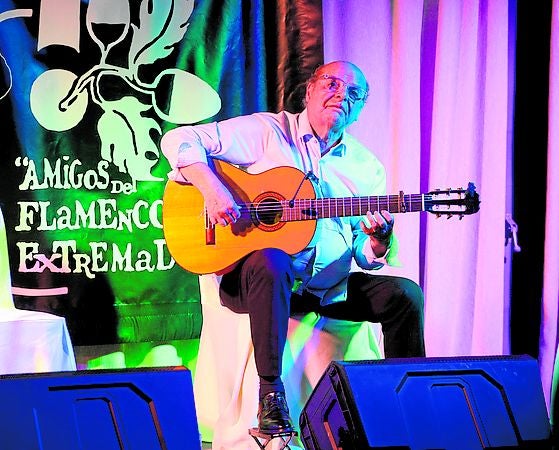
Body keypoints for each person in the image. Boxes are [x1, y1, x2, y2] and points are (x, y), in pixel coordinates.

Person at [160, 60, 425, 434]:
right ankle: (270, 397)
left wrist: (379, 242)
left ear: (360, 108)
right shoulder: (267, 132)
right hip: (257, 285)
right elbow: (178, 139)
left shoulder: (367, 168)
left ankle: (408, 400)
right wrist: (212, 188)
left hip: (324, 290)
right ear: (310, 91)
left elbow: (364, 256)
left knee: (405, 295)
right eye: (331, 84)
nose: (340, 95)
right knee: (272, 260)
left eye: (353, 93)